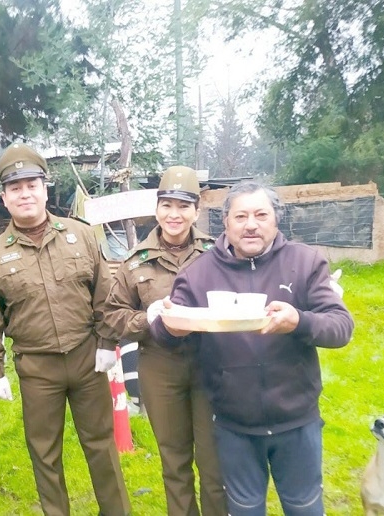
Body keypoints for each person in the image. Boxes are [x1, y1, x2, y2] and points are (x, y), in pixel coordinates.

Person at [150, 181, 354, 516]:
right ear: (226, 223)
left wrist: (299, 321)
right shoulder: (200, 273)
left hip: (297, 421)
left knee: (304, 507)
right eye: (240, 216)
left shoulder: (304, 263)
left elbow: (340, 327)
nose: (251, 224)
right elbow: (165, 328)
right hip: (234, 425)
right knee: (244, 509)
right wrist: (171, 324)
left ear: (276, 220)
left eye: (261, 214)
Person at [0, 142, 131, 516]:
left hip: (87, 358)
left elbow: (104, 294)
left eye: (31, 185)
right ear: (5, 198)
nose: (25, 194)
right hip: (37, 368)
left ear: (45, 189)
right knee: (44, 452)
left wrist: (108, 342)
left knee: (101, 445)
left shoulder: (83, 235)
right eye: (15, 188)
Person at [105, 166, 227, 516]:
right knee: (175, 463)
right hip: (160, 368)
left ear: (197, 210)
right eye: (167, 205)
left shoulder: (216, 253)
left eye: (184, 206)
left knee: (214, 463)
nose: (174, 214)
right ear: (156, 208)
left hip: (211, 365)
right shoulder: (134, 262)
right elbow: (113, 317)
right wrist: (149, 317)